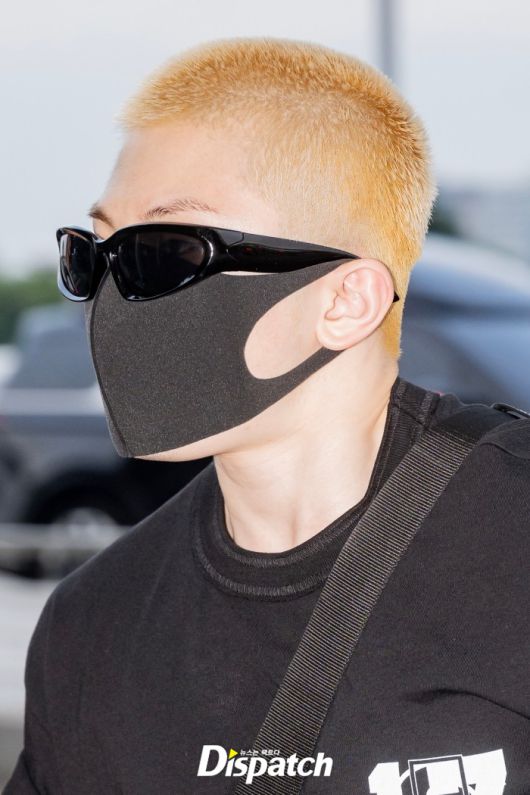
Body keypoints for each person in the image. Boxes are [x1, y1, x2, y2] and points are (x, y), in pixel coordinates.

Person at [5, 38, 529, 795]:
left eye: (166, 252)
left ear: (345, 301)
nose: (112, 299)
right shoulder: (92, 626)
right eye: (94, 256)